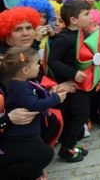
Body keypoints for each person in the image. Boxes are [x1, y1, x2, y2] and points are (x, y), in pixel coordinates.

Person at [0, 45, 63, 178]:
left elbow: (32, 99)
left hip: (26, 131)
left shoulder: (20, 84)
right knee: (43, 154)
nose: (39, 66)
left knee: (42, 152)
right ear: (25, 70)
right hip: (20, 134)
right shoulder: (20, 86)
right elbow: (34, 104)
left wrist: (49, 94)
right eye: (37, 64)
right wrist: (56, 98)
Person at [46, 0, 93, 162]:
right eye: (86, 14)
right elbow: (53, 61)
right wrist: (73, 73)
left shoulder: (83, 34)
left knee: (79, 114)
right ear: (74, 20)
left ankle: (72, 142)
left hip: (83, 84)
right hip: (71, 85)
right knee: (81, 114)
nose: (90, 17)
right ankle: (66, 148)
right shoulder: (64, 39)